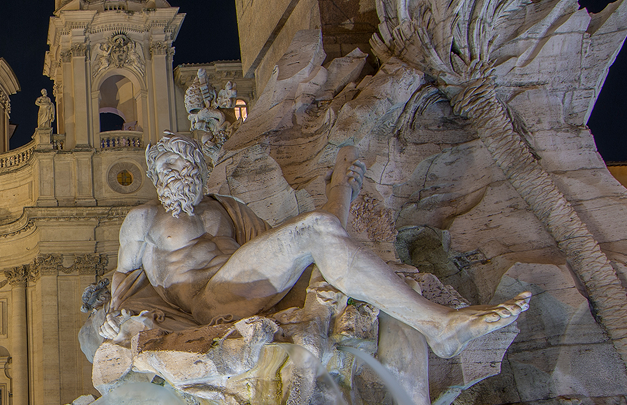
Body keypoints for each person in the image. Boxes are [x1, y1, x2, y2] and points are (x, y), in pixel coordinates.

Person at [101, 133, 529, 361]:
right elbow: (124, 284)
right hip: (208, 300)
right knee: (319, 228)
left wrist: (342, 189)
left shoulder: (224, 207)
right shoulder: (143, 218)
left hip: (249, 284)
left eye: (187, 162)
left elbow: (311, 240)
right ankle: (440, 326)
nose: (180, 170)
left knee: (338, 246)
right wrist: (116, 321)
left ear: (199, 168)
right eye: (169, 165)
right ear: (156, 175)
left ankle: (434, 340)